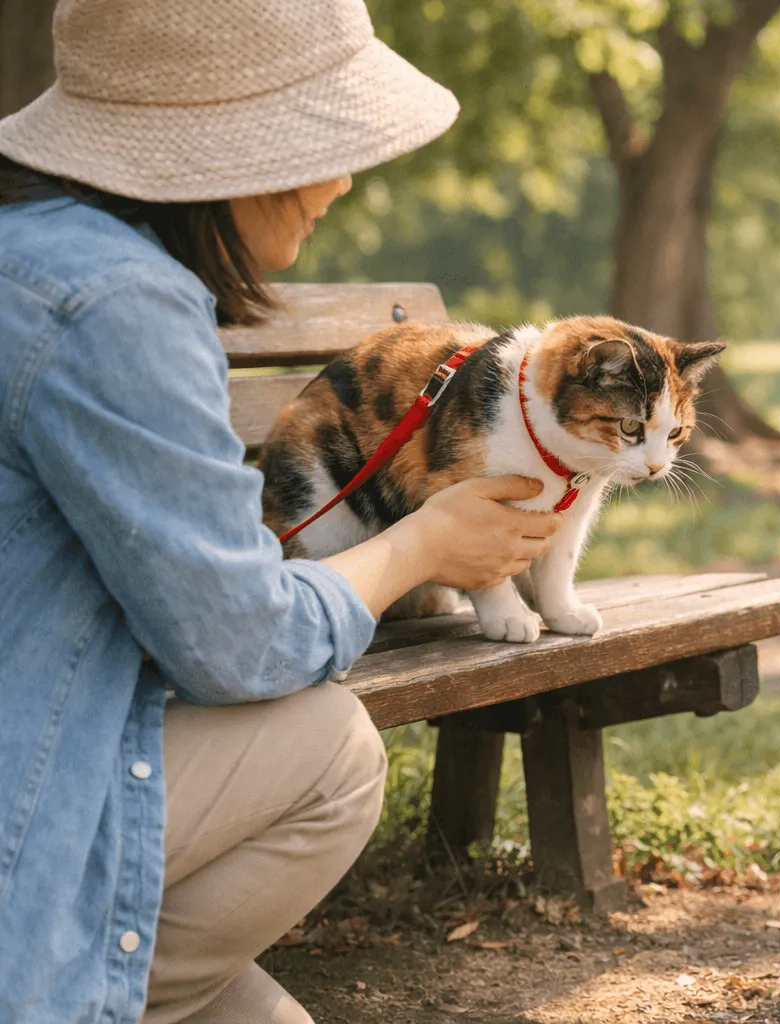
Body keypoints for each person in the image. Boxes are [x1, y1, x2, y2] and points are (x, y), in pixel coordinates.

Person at [0, 1, 565, 1021]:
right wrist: (424, 542)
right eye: (325, 142)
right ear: (225, 154)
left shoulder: (36, 257)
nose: (344, 178)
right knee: (333, 751)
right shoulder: (117, 302)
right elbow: (239, 642)